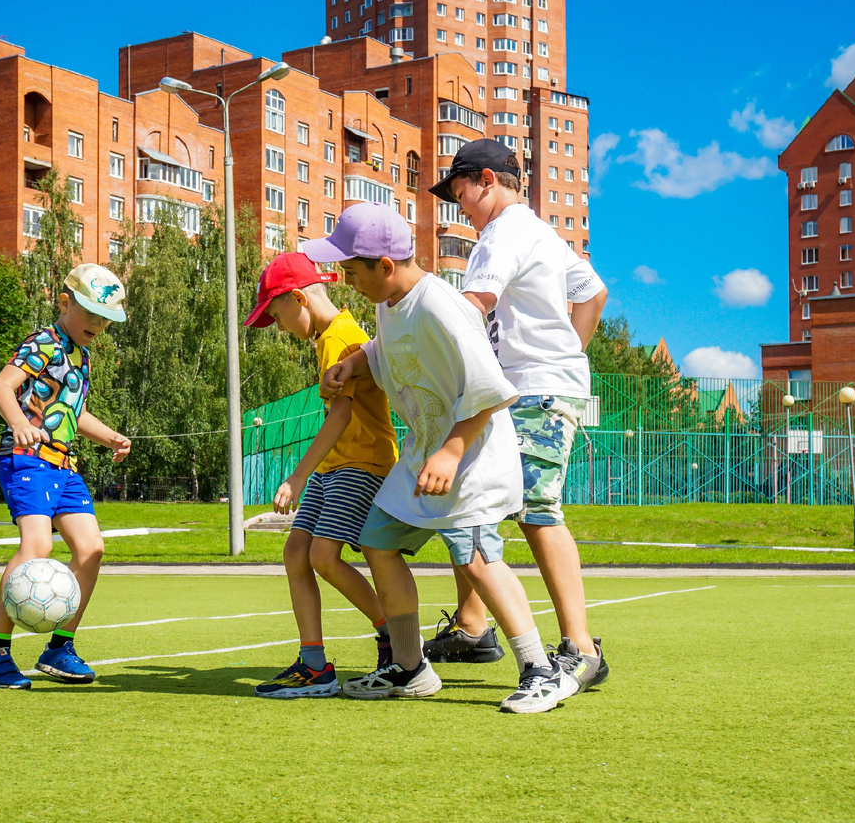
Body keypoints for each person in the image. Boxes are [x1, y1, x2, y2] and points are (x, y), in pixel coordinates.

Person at [311, 202, 577, 713]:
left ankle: (540, 671)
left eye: (351, 271)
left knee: (477, 561)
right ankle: (410, 669)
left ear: (384, 267)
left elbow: (492, 389)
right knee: (377, 542)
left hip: (471, 458)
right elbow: (388, 350)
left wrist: (452, 452)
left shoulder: (441, 306)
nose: (348, 282)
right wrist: (354, 364)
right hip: (425, 455)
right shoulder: (388, 304)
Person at [425, 138, 610, 695]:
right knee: (473, 498)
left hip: (535, 392)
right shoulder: (545, 233)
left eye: (462, 196)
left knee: (534, 510)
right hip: (533, 388)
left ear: (486, 180)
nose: (462, 210)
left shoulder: (501, 231)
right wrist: (569, 352)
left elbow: (473, 303)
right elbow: (595, 293)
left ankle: (580, 647)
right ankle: (475, 625)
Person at [243, 251, 398, 698]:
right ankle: (314, 664)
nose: (281, 328)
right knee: (297, 553)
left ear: (298, 299)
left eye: (278, 315)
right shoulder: (328, 337)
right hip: (335, 465)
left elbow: (341, 416)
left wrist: (295, 477)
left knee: (323, 557)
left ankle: (396, 635)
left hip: (360, 462)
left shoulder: (338, 337)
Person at [0, 263, 131, 689]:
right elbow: (2, 387)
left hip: (63, 463)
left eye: (105, 319)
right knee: (38, 545)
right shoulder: (43, 342)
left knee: (91, 548)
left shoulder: (83, 356)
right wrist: (18, 422)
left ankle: (60, 648)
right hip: (26, 457)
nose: (97, 325)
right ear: (64, 303)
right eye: (90, 314)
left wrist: (111, 437)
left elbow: (71, 414)